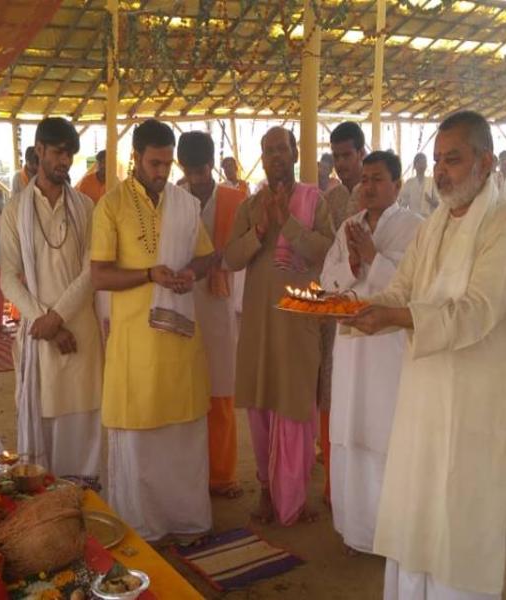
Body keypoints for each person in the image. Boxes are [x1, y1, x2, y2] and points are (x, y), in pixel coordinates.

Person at [344, 111, 506, 600]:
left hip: (477, 411)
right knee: (415, 523)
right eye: (437, 160)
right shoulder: (434, 224)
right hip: (422, 404)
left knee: (460, 534)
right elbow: (401, 291)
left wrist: (396, 318)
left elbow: (476, 313)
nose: (441, 171)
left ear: (486, 161)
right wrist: (349, 309)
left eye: (452, 160)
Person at [91, 119, 215, 542]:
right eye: (154, 163)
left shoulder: (185, 204)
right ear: (136, 158)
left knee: (182, 437)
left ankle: (186, 523)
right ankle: (143, 529)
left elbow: (205, 259)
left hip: (179, 341)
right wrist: (149, 274)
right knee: (140, 440)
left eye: (167, 163)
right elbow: (100, 276)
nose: (162, 171)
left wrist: (187, 275)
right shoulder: (111, 206)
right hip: (136, 347)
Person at [224, 126, 334, 526]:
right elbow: (230, 258)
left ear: (294, 153)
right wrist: (260, 231)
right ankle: (269, 492)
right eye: (268, 151)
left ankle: (296, 497)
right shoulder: (250, 206)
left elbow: (326, 250)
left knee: (296, 406)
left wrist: (288, 223)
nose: (275, 157)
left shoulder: (314, 201)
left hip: (298, 321)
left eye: (281, 149)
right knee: (261, 409)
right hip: (259, 324)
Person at [321, 150, 422, 555]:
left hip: (387, 350)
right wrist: (352, 264)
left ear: (397, 185)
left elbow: (418, 288)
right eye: (365, 179)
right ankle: (357, 530)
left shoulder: (416, 229)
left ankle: (390, 534)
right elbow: (328, 278)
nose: (369, 186)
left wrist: (374, 257)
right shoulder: (348, 225)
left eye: (378, 179)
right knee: (351, 430)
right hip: (350, 347)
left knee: (384, 433)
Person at [0, 118, 104, 478]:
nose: (65, 162)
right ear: (39, 150)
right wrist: (46, 320)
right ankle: (49, 501)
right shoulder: (15, 210)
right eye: (58, 152)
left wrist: (56, 317)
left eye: (70, 155)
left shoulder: (85, 207)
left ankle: (86, 499)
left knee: (83, 419)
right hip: (39, 334)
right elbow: (8, 278)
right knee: (44, 418)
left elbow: (92, 271)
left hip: (79, 332)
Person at [177, 131, 247, 499]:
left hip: (222, 305)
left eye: (203, 169)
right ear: (182, 167)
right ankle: (190, 473)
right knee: (186, 392)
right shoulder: (171, 200)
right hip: (183, 302)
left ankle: (221, 475)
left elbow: (246, 250)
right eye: (191, 170)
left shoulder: (236, 199)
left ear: (213, 164)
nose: (199, 177)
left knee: (221, 390)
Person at [319, 120, 367, 505]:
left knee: (368, 401)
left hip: (376, 317)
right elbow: (326, 257)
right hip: (336, 312)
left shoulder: (381, 196)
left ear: (361, 153)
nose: (341, 164)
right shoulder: (331, 201)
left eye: (347, 156)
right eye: (336, 157)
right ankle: (336, 488)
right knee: (333, 396)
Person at [398, 153, 437, 218]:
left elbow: (439, 204)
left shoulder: (431, 182)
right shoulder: (409, 183)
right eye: (419, 163)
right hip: (413, 218)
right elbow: (403, 204)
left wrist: (431, 201)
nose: (422, 165)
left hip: (428, 219)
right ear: (415, 165)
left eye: (424, 162)